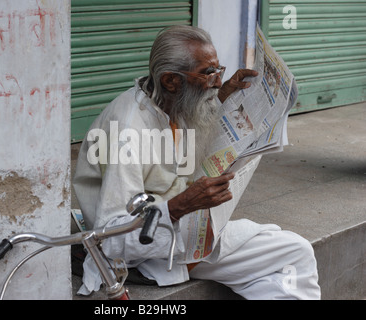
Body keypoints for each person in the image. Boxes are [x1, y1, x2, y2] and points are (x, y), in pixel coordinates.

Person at [73, 25, 321, 300]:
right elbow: (113, 240)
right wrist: (184, 204)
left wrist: (223, 96)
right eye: (208, 73)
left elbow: (185, 145)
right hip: (154, 247)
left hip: (186, 226)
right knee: (294, 253)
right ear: (171, 80)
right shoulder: (127, 130)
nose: (216, 81)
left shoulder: (172, 102)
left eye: (219, 71)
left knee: (279, 270)